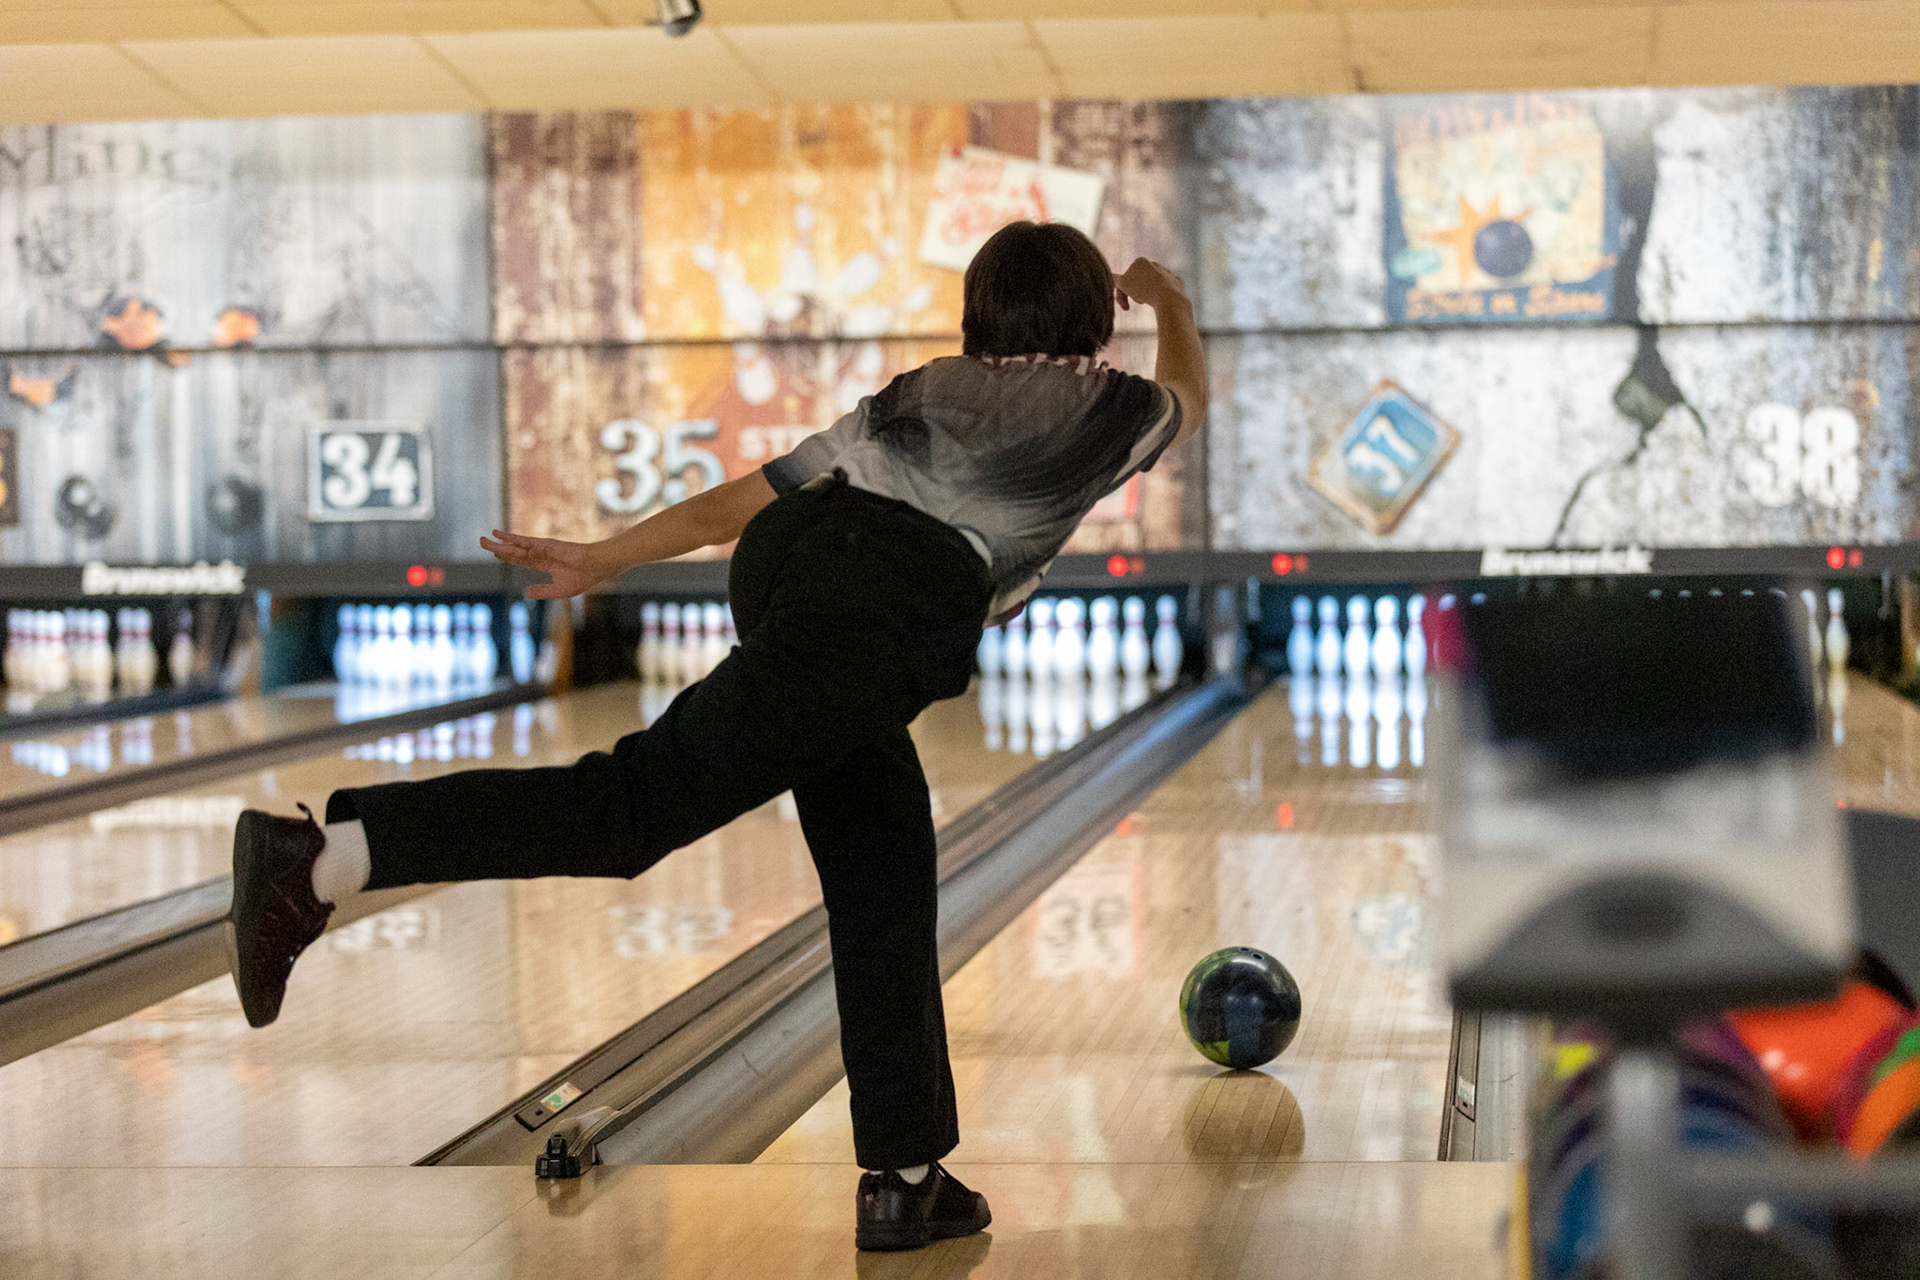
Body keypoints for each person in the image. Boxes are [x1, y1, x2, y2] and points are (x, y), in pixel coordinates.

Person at [225, 220, 1207, 1252]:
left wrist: (612, 556)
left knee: (884, 859)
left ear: (975, 316)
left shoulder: (922, 390)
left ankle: (907, 1173)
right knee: (631, 809)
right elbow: (1193, 398)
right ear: (1097, 330)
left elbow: (753, 499)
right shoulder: (1109, 406)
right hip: (880, 606)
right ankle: (327, 858)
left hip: (796, 566)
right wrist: (1172, 303)